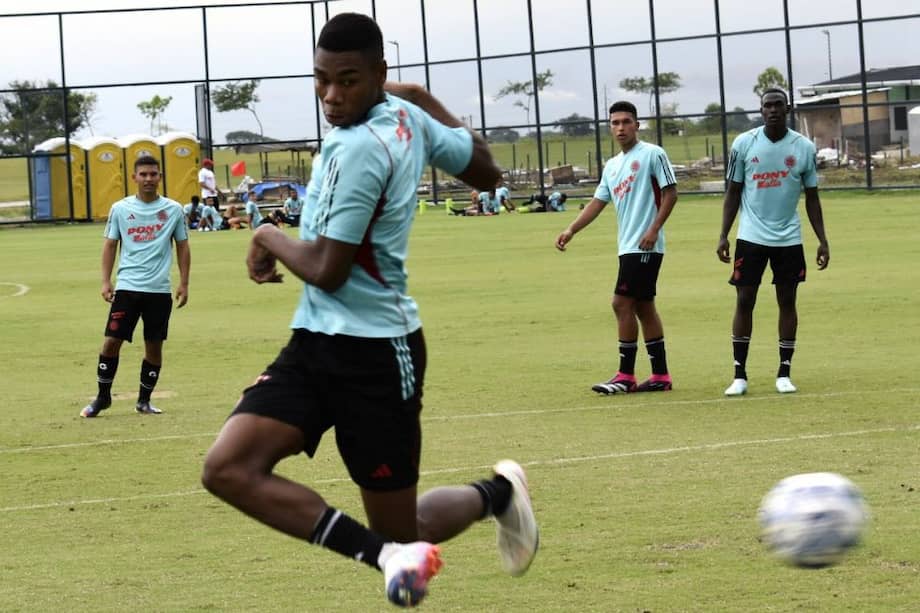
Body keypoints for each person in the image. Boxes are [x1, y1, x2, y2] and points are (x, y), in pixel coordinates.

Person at [200, 13, 538, 610]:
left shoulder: (367, 144)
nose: (332, 96)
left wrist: (266, 232)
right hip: (314, 343)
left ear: (379, 74)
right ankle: (388, 557)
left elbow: (328, 269)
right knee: (226, 468)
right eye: (322, 80)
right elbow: (486, 168)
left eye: (349, 80)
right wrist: (419, 97)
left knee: (400, 530)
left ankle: (498, 495)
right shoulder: (401, 114)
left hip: (380, 355)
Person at [555, 101, 678, 394]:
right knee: (644, 307)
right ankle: (660, 376)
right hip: (627, 248)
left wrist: (653, 229)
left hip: (645, 246)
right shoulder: (612, 166)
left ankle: (625, 375)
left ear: (637, 124)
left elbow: (671, 194)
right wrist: (572, 229)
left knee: (620, 303)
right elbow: (598, 203)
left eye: (626, 121)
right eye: (615, 123)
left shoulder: (653, 154)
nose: (620, 127)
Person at [717, 88, 829, 396]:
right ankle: (739, 375)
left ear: (788, 108)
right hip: (750, 236)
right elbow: (733, 193)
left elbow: (813, 198)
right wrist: (723, 234)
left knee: (787, 301)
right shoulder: (744, 144)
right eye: (768, 105)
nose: (773, 110)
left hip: (789, 238)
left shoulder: (803, 147)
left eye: (778, 105)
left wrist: (822, 240)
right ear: (761, 109)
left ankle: (784, 372)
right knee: (744, 301)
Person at [80, 155, 190, 417]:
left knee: (154, 346)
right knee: (111, 343)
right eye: (144, 174)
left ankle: (144, 401)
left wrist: (184, 283)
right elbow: (110, 245)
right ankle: (102, 398)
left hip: (159, 290)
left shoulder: (174, 210)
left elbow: (183, 246)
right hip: (127, 288)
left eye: (153, 174)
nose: (149, 179)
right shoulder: (120, 209)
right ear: (134, 178)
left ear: (160, 177)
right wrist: (106, 281)